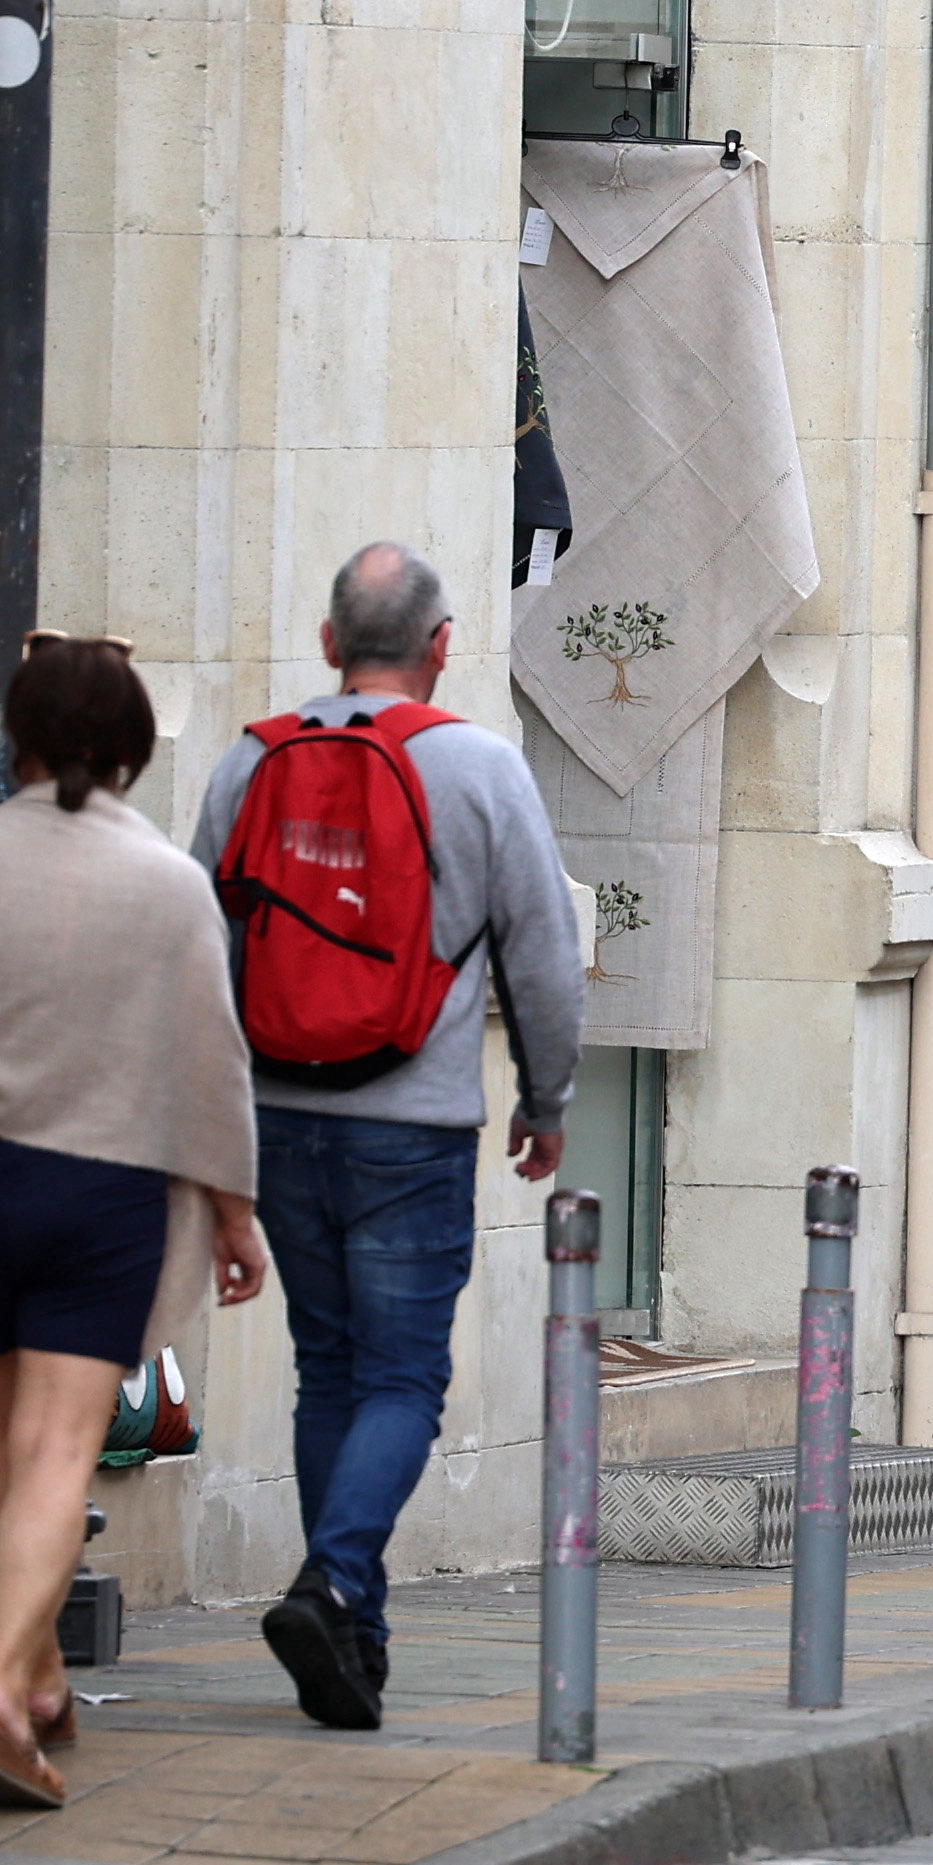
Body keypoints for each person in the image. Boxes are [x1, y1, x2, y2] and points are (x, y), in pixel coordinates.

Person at [0, 636, 268, 1812]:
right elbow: (210, 1065)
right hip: (101, 1192)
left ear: (17, 741)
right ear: (131, 750)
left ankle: (35, 1671)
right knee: (58, 1450)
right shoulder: (170, 882)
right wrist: (235, 1213)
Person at [189, 543, 586, 1733]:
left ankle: (353, 1638)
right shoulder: (478, 767)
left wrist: (219, 1122)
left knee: (330, 1366)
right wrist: (547, 1097)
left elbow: (202, 940)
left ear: (325, 642)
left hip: (277, 1112)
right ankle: (335, 1579)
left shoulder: (250, 761)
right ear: (442, 646)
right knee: (405, 1376)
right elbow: (546, 953)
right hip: (409, 1128)